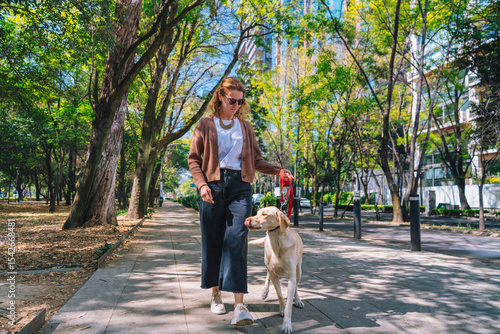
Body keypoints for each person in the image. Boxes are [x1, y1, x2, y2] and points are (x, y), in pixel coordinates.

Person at [188, 77, 292, 326]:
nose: (236, 105)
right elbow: (193, 159)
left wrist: (279, 170)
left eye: (240, 101)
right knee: (213, 241)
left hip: (240, 187)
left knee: (236, 239)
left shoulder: (245, 128)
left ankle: (239, 305)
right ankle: (215, 293)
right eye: (232, 100)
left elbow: (256, 161)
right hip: (212, 186)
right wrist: (202, 185)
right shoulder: (205, 125)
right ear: (220, 97)